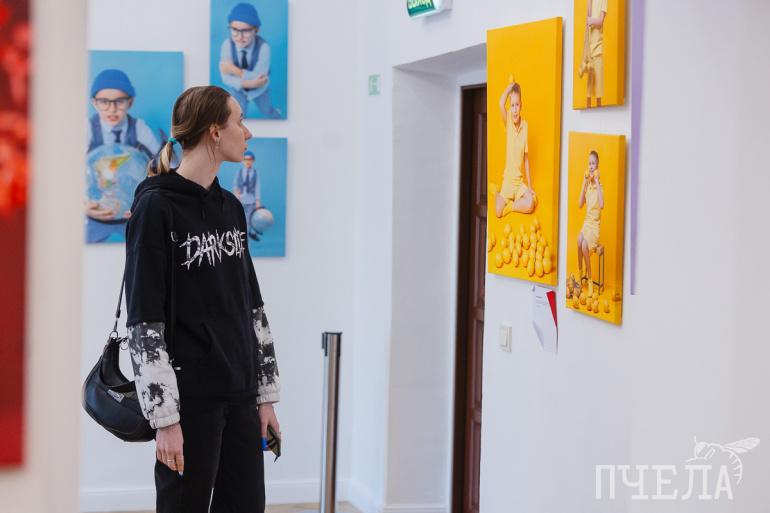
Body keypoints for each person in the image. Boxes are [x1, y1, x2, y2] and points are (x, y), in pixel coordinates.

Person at [124, 85, 281, 513]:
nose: (247, 133)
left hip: (240, 394)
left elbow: (252, 307)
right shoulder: (156, 208)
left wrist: (264, 397)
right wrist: (165, 419)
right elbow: (143, 322)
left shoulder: (230, 207)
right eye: (239, 122)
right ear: (215, 131)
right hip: (189, 402)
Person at [86, 69, 161, 242]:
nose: (112, 109)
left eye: (119, 101)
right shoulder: (87, 130)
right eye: (104, 102)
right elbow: (66, 173)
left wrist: (145, 203)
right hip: (95, 210)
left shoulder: (140, 129)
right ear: (94, 103)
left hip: (132, 212)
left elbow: (163, 166)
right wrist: (82, 206)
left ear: (130, 102)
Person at [218, 3, 282, 119]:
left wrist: (233, 69)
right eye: (235, 30)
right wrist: (251, 83)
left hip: (259, 90)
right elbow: (226, 78)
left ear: (256, 30)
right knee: (237, 116)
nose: (239, 36)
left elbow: (259, 76)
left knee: (267, 110)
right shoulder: (227, 45)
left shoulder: (263, 47)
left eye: (246, 31)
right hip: (237, 89)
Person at [490, 79, 537, 218]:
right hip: (508, 183)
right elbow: (500, 103)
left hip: (519, 183)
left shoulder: (525, 126)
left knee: (530, 204)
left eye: (517, 105)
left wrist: (530, 187)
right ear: (510, 107)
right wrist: (510, 87)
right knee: (498, 212)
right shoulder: (508, 121)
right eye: (512, 105)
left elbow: (526, 158)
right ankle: (497, 192)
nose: (515, 109)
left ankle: (511, 206)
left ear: (521, 105)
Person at [577, 150, 604, 297]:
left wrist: (597, 182)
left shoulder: (600, 187)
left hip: (594, 227)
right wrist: (584, 182)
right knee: (579, 240)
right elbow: (580, 204)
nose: (591, 166)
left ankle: (590, 279)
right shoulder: (587, 186)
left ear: (597, 165)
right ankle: (580, 273)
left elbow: (602, 205)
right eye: (589, 163)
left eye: (593, 163)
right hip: (586, 223)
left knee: (584, 245)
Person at [585, 0, 607, 108]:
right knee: (589, 90)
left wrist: (591, 21)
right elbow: (587, 24)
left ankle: (599, 112)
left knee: (598, 88)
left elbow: (600, 22)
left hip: (598, 48)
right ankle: (588, 110)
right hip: (589, 48)